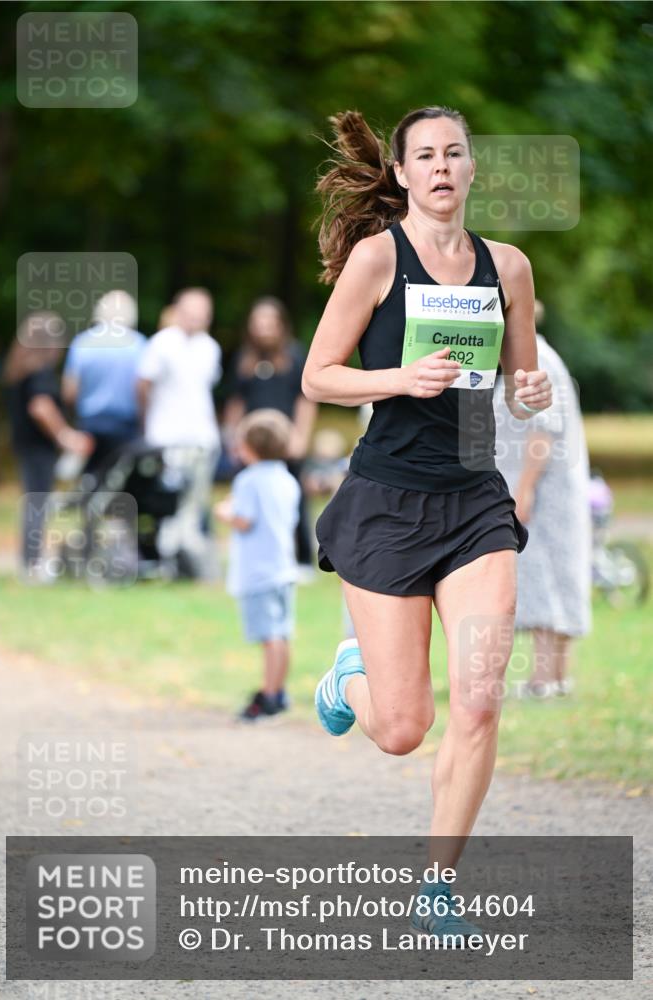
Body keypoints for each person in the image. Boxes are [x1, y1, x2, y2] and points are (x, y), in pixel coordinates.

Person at [302, 106, 552, 939]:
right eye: (425, 156)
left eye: (454, 152)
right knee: (404, 730)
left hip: (473, 501)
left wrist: (530, 393)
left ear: (471, 167)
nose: (441, 166)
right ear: (404, 175)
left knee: (479, 701)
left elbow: (513, 382)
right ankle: (348, 678)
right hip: (387, 498)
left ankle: (438, 888)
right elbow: (318, 377)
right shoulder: (379, 259)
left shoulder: (506, 266)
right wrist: (398, 379)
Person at [494, 300, 592, 697]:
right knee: (553, 577)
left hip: (542, 492)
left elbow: (543, 432)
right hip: (540, 489)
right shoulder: (528, 360)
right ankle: (555, 676)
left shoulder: (536, 362)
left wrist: (524, 491)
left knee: (546, 578)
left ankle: (544, 679)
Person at [214, 409, 300, 720]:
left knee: (269, 636)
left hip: (258, 571)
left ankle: (269, 694)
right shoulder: (287, 479)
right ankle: (279, 689)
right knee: (281, 633)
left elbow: (244, 520)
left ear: (249, 447)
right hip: (283, 568)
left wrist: (224, 512)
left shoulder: (248, 480)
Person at [222, 297, 317, 576]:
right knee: (252, 497)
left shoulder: (295, 356)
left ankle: (301, 560)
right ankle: (255, 559)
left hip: (285, 442)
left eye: (269, 323)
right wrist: (233, 437)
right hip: (253, 444)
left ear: (281, 326)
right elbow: (236, 401)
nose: (264, 329)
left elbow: (306, 399)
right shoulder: (243, 360)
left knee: (295, 498)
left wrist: (301, 436)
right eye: (258, 323)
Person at [137, 287, 222, 579]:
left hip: (202, 438)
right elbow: (144, 387)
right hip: (167, 438)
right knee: (167, 500)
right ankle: (164, 559)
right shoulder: (162, 344)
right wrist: (148, 426)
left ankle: (187, 560)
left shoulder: (210, 347)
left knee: (194, 505)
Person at [3, 313, 93, 578]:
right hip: (38, 448)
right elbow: (41, 407)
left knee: (34, 501)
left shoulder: (19, 370)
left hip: (25, 445)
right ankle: (33, 564)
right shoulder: (40, 373)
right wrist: (65, 435)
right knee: (38, 503)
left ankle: (30, 561)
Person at [61, 290, 146, 476]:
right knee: (121, 477)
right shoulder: (139, 344)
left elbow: (70, 391)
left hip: (90, 422)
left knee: (91, 477)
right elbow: (143, 389)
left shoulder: (82, 343)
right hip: (126, 424)